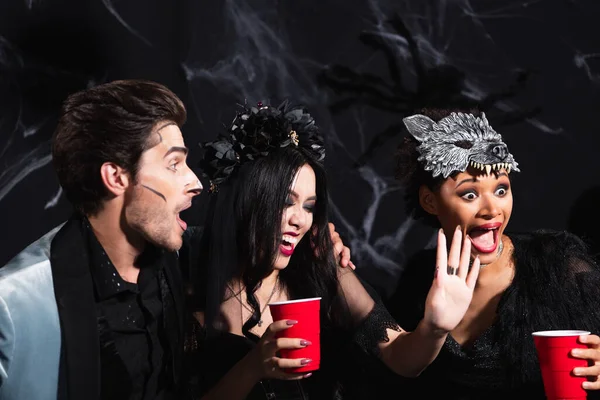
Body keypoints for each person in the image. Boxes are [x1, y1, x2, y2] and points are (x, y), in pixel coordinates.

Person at [182, 101, 481, 400]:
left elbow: (401, 358)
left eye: (309, 206)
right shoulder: (186, 295)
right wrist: (250, 369)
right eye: (286, 202)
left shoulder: (324, 270)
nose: (300, 220)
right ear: (248, 201)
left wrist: (435, 328)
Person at [0, 79, 203, 400]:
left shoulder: (169, 259)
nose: (195, 182)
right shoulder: (12, 304)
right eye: (174, 164)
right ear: (116, 177)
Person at [386, 108, 600, 399]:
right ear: (429, 201)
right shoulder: (420, 278)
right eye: (470, 194)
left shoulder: (556, 262)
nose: (492, 210)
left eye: (501, 190)